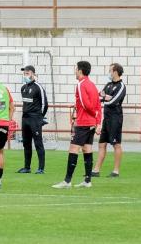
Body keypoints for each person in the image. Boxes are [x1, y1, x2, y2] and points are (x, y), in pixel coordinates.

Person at [53, 61, 101, 189]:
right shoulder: (92, 85)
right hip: (91, 123)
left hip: (83, 122)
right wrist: (98, 121)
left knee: (73, 149)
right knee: (87, 148)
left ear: (80, 71)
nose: (75, 71)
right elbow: (98, 105)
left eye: (75, 69)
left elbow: (87, 105)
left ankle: (67, 181)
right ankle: (87, 181)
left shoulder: (81, 84)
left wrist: (94, 114)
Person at [92, 63, 126, 178]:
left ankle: (116, 171)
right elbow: (98, 96)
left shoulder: (121, 86)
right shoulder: (108, 85)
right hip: (106, 118)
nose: (109, 72)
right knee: (101, 144)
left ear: (115, 71)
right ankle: (96, 170)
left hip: (115, 119)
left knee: (116, 144)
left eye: (110, 70)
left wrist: (105, 98)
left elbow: (113, 101)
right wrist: (104, 97)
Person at [17, 64, 48, 175]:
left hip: (35, 119)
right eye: (24, 73)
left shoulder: (38, 87)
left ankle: (41, 168)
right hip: (25, 119)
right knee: (26, 143)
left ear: (33, 74)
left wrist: (40, 117)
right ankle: (27, 167)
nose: (25, 75)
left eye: (27, 73)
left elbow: (45, 104)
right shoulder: (23, 88)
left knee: (38, 143)